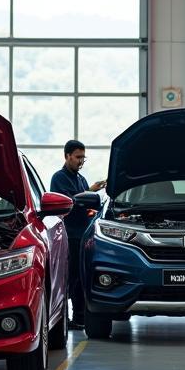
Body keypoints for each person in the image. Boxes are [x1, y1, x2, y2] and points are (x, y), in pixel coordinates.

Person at [50, 140, 106, 329]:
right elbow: (70, 202)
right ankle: (64, 319)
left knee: (81, 277)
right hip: (69, 235)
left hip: (83, 236)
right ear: (67, 156)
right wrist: (90, 191)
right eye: (77, 157)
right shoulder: (59, 178)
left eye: (83, 157)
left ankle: (80, 316)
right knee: (70, 277)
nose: (81, 161)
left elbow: (85, 203)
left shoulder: (80, 179)